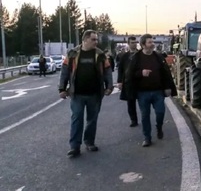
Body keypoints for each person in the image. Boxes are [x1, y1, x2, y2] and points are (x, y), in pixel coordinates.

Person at [58, 30, 114, 158]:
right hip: (77, 94)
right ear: (85, 40)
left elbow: (107, 71)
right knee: (76, 119)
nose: (96, 42)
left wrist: (109, 86)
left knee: (92, 120)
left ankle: (89, 142)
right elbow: (65, 71)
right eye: (93, 39)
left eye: (96, 39)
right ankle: (74, 147)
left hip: (94, 94)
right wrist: (62, 88)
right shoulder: (72, 54)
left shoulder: (100, 54)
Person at [125, 34, 176, 147]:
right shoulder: (136, 58)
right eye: (149, 42)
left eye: (153, 42)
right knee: (145, 115)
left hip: (158, 91)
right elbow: (130, 74)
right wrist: (141, 73)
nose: (152, 44)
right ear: (143, 45)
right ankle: (147, 138)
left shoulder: (158, 57)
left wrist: (167, 87)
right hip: (142, 92)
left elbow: (165, 73)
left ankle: (159, 126)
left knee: (160, 112)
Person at [118, 36, 139, 127]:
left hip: (140, 81)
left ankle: (145, 118)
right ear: (128, 44)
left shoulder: (140, 55)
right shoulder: (124, 56)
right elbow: (120, 69)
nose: (134, 44)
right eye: (132, 42)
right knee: (130, 102)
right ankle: (133, 120)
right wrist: (119, 81)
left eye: (135, 42)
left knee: (143, 101)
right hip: (128, 82)